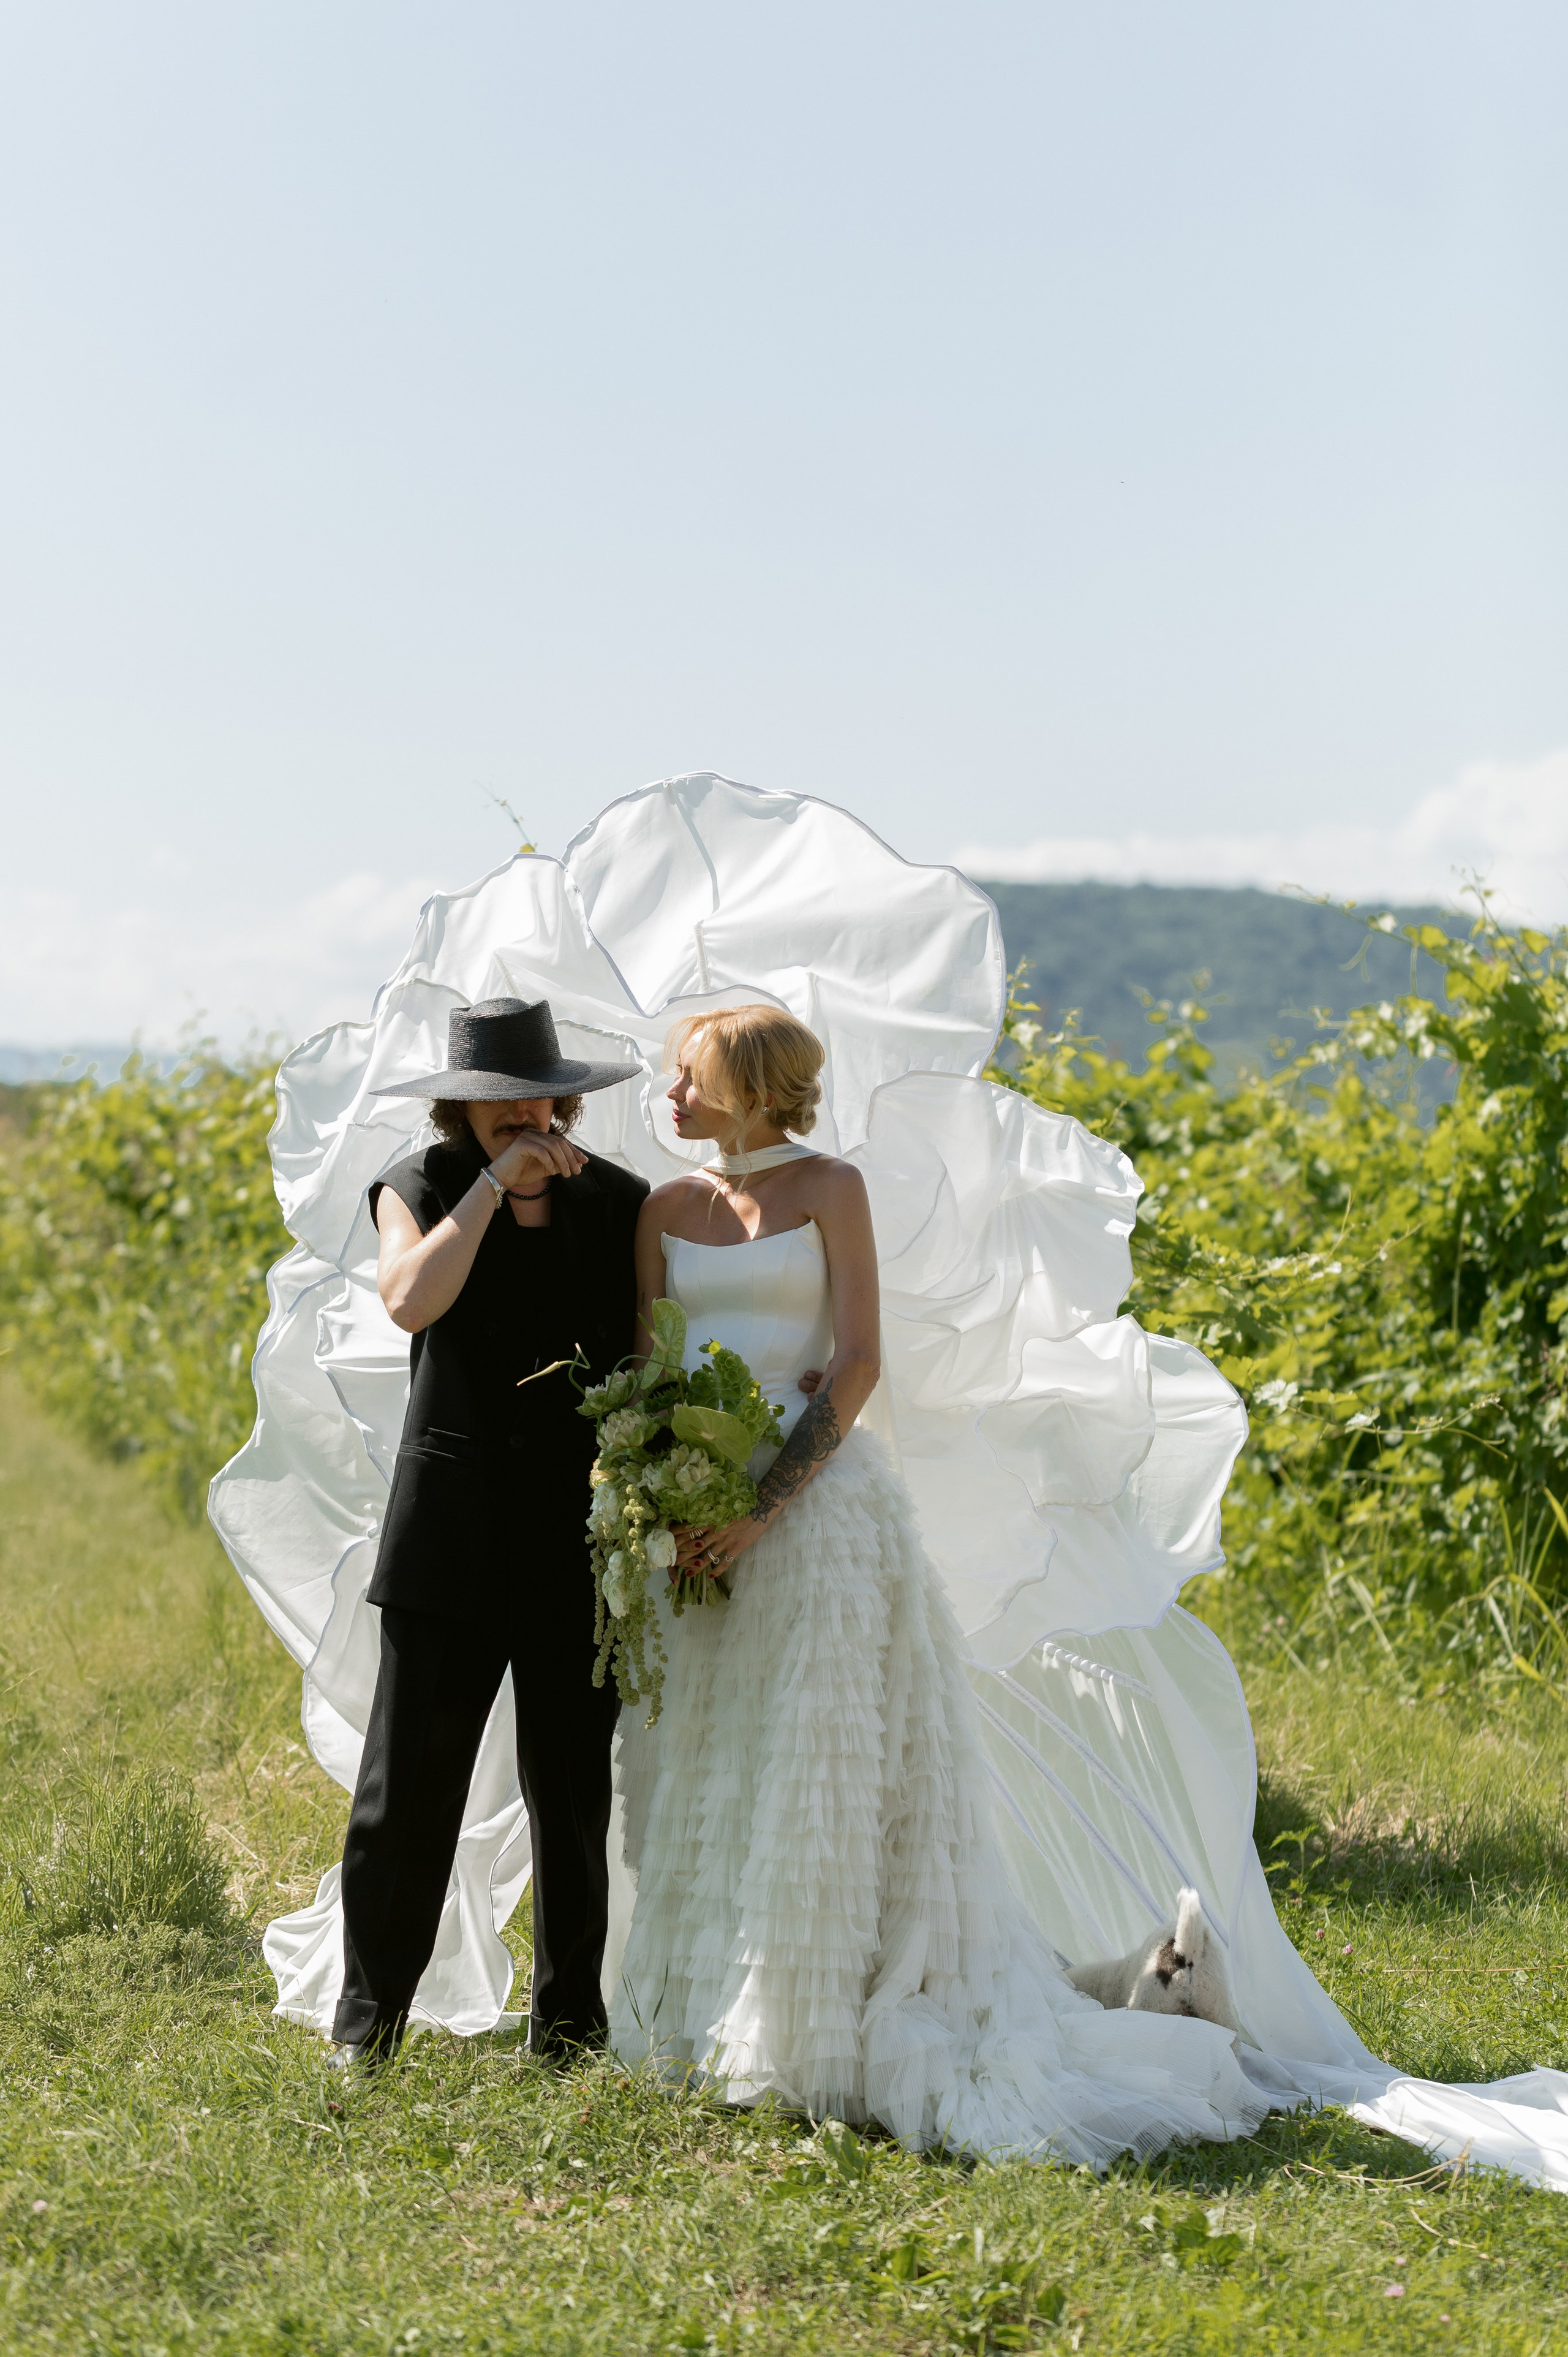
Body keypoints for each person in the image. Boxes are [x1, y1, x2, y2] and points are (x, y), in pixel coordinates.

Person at [609, 1004, 1272, 2161]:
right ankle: (714, 2015)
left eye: (689, 1075)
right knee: (712, 1761)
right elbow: (648, 1367)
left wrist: (765, 1506)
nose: (670, 1094)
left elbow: (859, 1360)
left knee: (819, 1765)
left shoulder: (831, 1189)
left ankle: (820, 2024)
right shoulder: (663, 1210)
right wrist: (670, 1494)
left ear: (753, 1087)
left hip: (818, 1520)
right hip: (697, 1526)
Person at [331, 996, 644, 2067]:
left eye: (536, 1102)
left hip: (578, 1540)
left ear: (564, 1100)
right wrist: (488, 1192)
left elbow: (645, 1356)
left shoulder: (619, 1202)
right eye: (497, 1105)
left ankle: (570, 2034)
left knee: (573, 1797)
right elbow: (410, 1302)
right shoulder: (417, 1187)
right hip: (448, 1537)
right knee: (407, 1794)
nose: (522, 1119)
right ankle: (368, 2026)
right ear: (459, 1109)